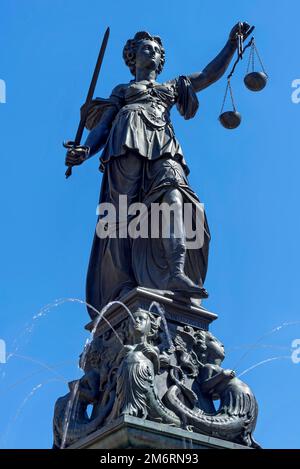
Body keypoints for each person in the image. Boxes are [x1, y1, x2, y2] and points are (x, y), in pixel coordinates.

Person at [65, 23, 252, 319]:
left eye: (155, 50)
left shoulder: (170, 88)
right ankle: (123, 284)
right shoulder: (124, 91)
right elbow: (103, 125)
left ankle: (176, 272)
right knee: (122, 215)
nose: (151, 53)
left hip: (163, 143)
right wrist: (86, 151)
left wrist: (231, 44)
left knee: (176, 197)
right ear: (132, 58)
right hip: (125, 142)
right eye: (145, 49)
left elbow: (208, 75)